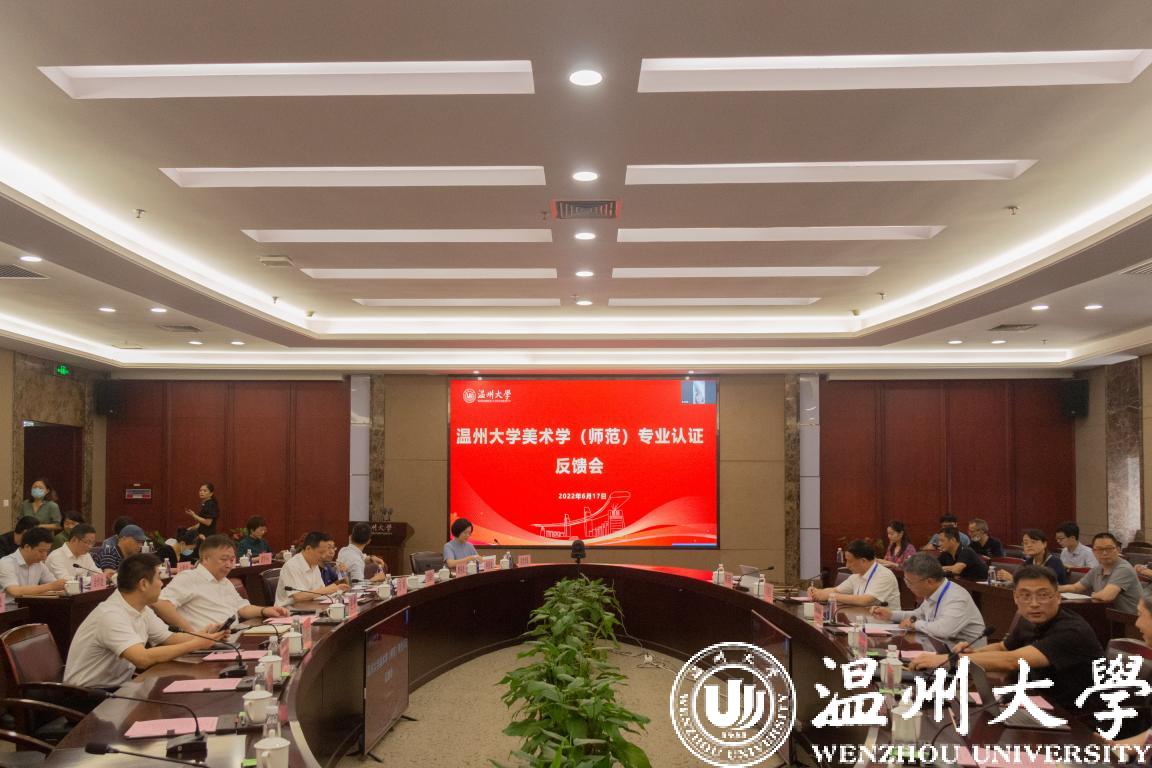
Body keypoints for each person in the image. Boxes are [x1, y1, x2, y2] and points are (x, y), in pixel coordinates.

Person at [908, 565, 1105, 716]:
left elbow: (1012, 660)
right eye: (1025, 596)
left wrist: (948, 660)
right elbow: (1003, 648)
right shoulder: (1029, 620)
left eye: (1043, 595)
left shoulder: (1072, 630)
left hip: (1076, 718)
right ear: (1015, 597)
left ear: (1058, 597)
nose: (1034, 603)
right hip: (1035, 703)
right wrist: (972, 653)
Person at [62, 554, 225, 689]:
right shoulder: (110, 615)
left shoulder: (141, 608)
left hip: (118, 688)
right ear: (144, 584)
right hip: (88, 696)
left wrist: (204, 635)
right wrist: (196, 644)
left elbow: (169, 638)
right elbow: (142, 658)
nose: (162, 583)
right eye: (159, 578)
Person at [153, 534, 289, 631]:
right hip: (204, 646)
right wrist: (192, 633)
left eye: (232, 560)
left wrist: (265, 610)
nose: (229, 564)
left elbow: (242, 608)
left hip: (232, 637)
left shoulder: (225, 582)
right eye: (224, 559)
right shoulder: (189, 578)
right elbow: (161, 604)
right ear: (206, 558)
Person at [870, 553, 985, 645]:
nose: (908, 587)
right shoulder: (935, 591)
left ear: (929, 581)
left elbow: (944, 630)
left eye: (909, 582)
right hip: (942, 650)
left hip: (967, 659)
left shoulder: (956, 597)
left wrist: (915, 625)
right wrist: (891, 615)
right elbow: (919, 615)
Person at [1059, 532, 1143, 614]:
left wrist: (1094, 595)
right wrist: (1055, 589)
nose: (1104, 553)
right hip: (1108, 615)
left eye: (1109, 548)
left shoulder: (1124, 568)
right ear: (1093, 552)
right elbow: (1076, 587)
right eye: (1099, 549)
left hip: (1130, 620)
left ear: (1118, 550)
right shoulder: (1097, 569)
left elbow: (1107, 596)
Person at [808, 539, 900, 608]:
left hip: (885, 624)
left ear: (863, 561)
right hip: (864, 620)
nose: (847, 566)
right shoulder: (856, 575)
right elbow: (836, 590)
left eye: (850, 561)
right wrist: (817, 592)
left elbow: (865, 600)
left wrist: (831, 596)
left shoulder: (884, 575)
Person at [275, 531, 349, 606]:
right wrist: (330, 589)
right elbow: (298, 597)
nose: (324, 556)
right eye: (321, 552)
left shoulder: (314, 564)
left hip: (310, 606)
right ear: (308, 548)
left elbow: (320, 591)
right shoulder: (292, 566)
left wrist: (337, 590)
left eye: (325, 552)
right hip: (288, 610)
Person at [0, 527, 67, 606]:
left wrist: (61, 586)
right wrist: (50, 586)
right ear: (27, 547)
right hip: (8, 608)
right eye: (41, 551)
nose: (44, 556)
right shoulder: (6, 563)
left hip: (30, 606)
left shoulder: (39, 564)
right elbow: (15, 591)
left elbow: (54, 584)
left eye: (47, 551)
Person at [995, 529, 1068, 585]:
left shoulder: (1055, 562)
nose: (1029, 545)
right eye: (1026, 543)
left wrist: (1013, 579)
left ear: (1044, 544)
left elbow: (1044, 584)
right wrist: (1007, 577)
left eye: (1033, 542)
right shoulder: (1028, 563)